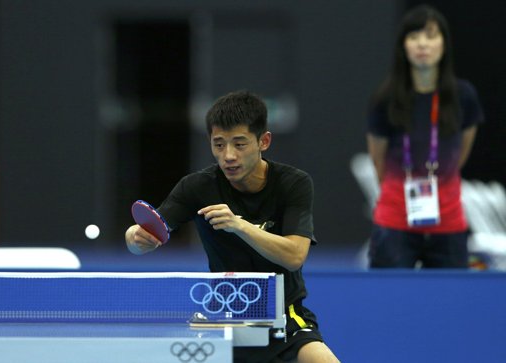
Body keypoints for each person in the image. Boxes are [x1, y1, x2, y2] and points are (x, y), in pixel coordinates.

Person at [125, 90, 341, 363]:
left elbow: (294, 256)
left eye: (239, 144)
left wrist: (239, 225)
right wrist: (134, 239)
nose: (228, 155)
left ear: (264, 141)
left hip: (284, 317)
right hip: (224, 319)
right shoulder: (197, 187)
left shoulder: (293, 184)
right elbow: (147, 235)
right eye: (219, 144)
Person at [366, 4, 485, 268]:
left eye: (430, 36)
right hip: (395, 221)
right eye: (414, 36)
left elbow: (459, 156)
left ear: (443, 44)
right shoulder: (385, 98)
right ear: (403, 46)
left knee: (449, 305)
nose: (422, 44)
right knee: (390, 302)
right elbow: (378, 161)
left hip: (449, 221)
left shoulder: (463, 96)